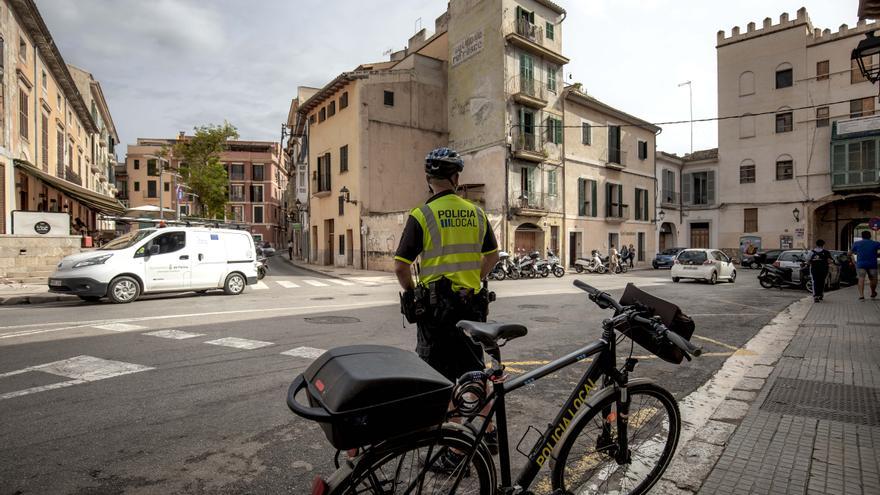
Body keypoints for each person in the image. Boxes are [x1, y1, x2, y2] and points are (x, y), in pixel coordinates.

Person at [394, 147, 499, 463]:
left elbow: (401, 265)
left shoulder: (421, 215)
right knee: (473, 373)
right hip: (472, 309)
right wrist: (475, 280)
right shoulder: (477, 213)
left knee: (438, 382)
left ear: (428, 180)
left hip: (437, 313)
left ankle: (455, 450)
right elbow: (492, 256)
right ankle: (489, 434)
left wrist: (413, 293)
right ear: (456, 178)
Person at [850, 231, 880, 300]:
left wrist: (853, 257)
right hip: (872, 264)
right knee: (873, 279)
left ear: (862, 236)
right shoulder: (875, 243)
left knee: (861, 278)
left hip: (861, 264)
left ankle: (861, 295)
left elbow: (849, 253)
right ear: (870, 236)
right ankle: (873, 292)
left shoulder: (856, 243)